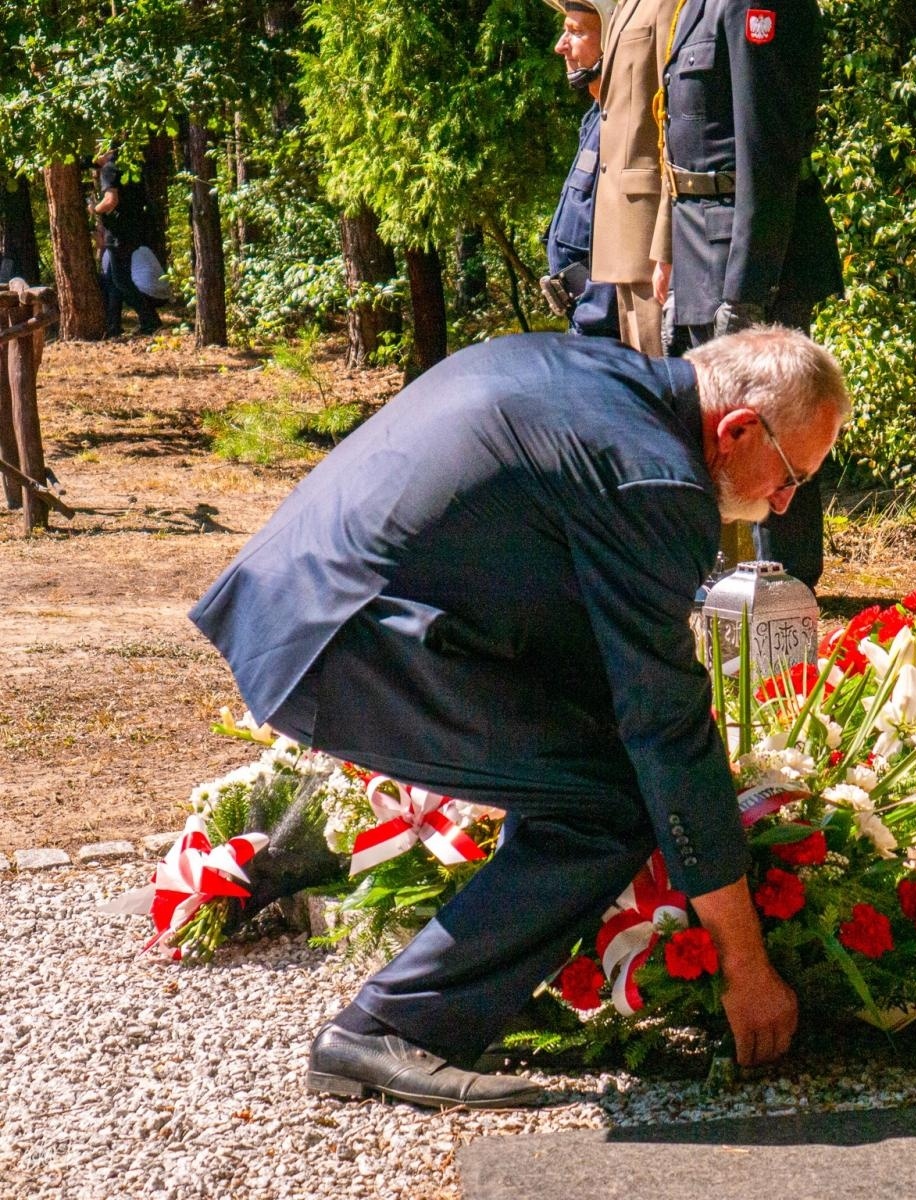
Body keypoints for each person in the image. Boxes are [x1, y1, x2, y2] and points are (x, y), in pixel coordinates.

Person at [189, 327, 849, 1108]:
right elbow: (664, 724)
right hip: (346, 640)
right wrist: (748, 962)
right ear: (737, 430)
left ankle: (484, 987)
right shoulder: (655, 479)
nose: (782, 503)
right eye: (792, 476)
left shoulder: (594, 370)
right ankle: (388, 1030)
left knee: (590, 763)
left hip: (304, 598)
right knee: (612, 805)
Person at [655, 0, 843, 589]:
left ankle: (784, 601)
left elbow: (768, 152)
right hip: (698, 246)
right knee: (702, 434)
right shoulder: (696, 6)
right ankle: (713, 592)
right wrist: (675, 268)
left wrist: (746, 292)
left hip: (747, 257)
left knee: (775, 430)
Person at [589, 0, 676, 355]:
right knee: (644, 383)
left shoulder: (665, 4)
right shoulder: (626, 6)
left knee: (662, 384)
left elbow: (673, 121)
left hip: (648, 230)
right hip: (623, 231)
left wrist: (666, 241)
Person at [541, 0, 621, 338]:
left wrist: (597, 316)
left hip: (606, 326)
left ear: (613, 42)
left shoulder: (628, 125)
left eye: (576, 32)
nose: (561, 46)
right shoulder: (595, 118)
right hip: (584, 318)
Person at [92, 148, 162, 338]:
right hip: (135, 229)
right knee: (115, 279)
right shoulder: (129, 167)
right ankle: (113, 325)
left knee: (121, 281)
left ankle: (151, 320)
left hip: (118, 232)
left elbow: (111, 200)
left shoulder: (109, 169)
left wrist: (94, 210)